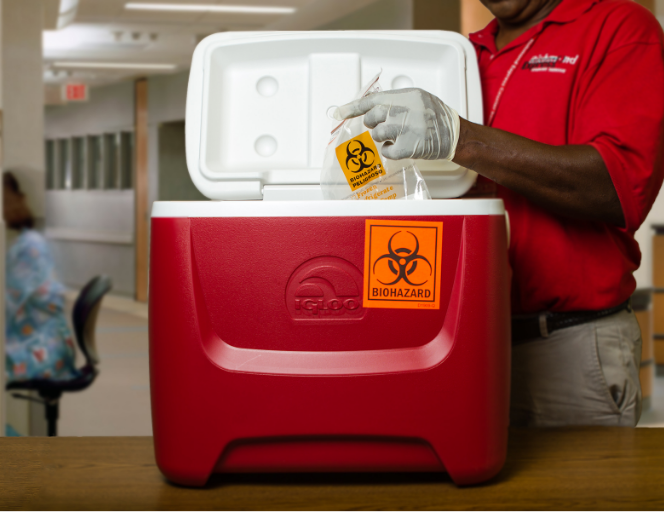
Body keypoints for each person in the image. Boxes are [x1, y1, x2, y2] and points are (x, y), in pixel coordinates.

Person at [333, 0, 664, 426]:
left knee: (574, 495)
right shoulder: (458, 54)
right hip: (455, 345)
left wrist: (462, 138)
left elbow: (618, 186)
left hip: (566, 346)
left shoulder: (618, 27)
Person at [4, 171, 78, 382]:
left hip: (40, 351)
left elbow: (9, 302)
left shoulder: (26, 247)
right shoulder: (29, 241)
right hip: (50, 344)